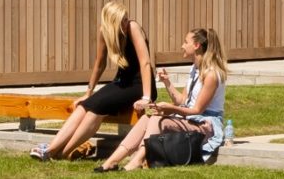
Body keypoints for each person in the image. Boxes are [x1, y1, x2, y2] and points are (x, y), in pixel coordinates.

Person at [30, 1, 154, 161]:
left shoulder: (132, 27)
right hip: (121, 82)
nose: (126, 22)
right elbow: (99, 63)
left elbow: (145, 63)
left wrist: (146, 97)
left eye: (126, 18)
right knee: (85, 106)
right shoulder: (104, 31)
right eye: (122, 20)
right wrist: (88, 92)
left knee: (97, 108)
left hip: (140, 85)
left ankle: (59, 153)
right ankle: (52, 148)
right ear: (112, 22)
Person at [95, 27, 229, 172]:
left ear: (196, 45)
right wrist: (167, 83)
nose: (182, 46)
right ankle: (112, 161)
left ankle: (137, 160)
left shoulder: (211, 75)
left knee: (157, 120)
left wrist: (169, 109)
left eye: (186, 42)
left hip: (206, 125)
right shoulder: (195, 69)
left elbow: (197, 110)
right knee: (148, 117)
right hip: (192, 120)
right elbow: (182, 101)